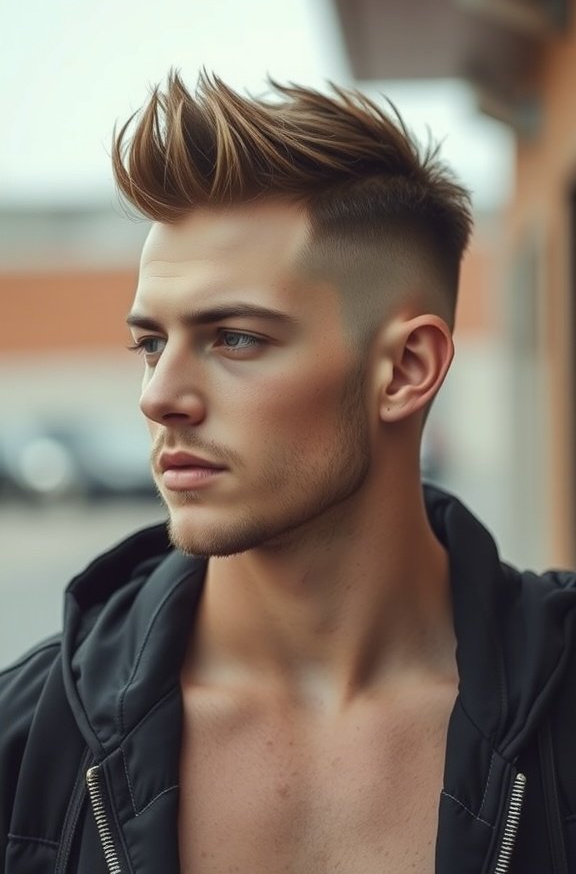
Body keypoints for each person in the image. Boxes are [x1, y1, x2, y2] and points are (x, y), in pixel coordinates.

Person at [1, 73, 576, 874]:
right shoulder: (27, 746)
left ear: (406, 369)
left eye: (234, 338)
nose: (159, 397)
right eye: (151, 343)